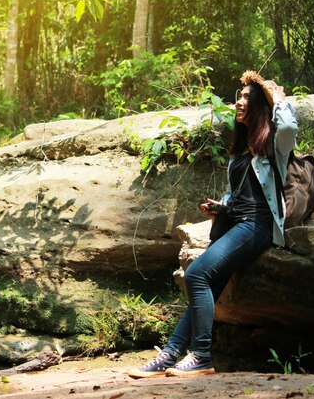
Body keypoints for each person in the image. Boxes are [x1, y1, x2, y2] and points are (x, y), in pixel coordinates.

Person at [127, 70, 298, 378]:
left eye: (247, 97)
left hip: (257, 225)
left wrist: (279, 98)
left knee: (196, 275)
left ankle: (202, 356)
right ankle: (169, 354)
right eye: (239, 96)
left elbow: (287, 126)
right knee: (207, 283)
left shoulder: (274, 144)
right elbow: (236, 194)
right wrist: (221, 207)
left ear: (260, 105)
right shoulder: (241, 150)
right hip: (236, 223)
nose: (239, 101)